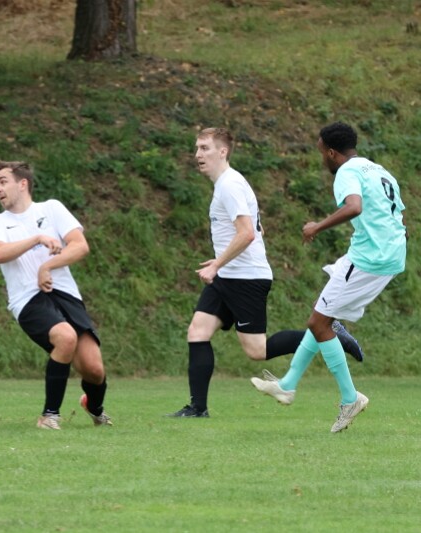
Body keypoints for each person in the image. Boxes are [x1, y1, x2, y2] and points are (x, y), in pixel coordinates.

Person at [167, 127, 363, 419]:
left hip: (245, 279)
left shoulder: (230, 184)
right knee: (198, 331)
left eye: (205, 148)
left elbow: (247, 233)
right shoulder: (227, 184)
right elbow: (257, 229)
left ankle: (328, 334)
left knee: (257, 350)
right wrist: (221, 262)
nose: (198, 154)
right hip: (228, 276)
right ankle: (197, 408)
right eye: (197, 148)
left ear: (223, 152)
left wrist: (217, 264)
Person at [251, 121, 406, 432]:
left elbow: (354, 207)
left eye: (322, 153)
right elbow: (395, 215)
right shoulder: (378, 170)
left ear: (332, 153)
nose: (322, 159)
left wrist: (316, 227)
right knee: (322, 316)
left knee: (319, 323)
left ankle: (350, 398)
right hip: (386, 254)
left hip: (369, 258)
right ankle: (287, 384)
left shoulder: (346, 172)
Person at [0, 161, 111, 430]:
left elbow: (80, 246)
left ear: (23, 184)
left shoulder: (51, 208)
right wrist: (36, 239)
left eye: (3, 181)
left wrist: (47, 266)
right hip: (27, 299)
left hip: (65, 293)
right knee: (65, 337)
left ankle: (94, 407)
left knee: (94, 369)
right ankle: (49, 415)